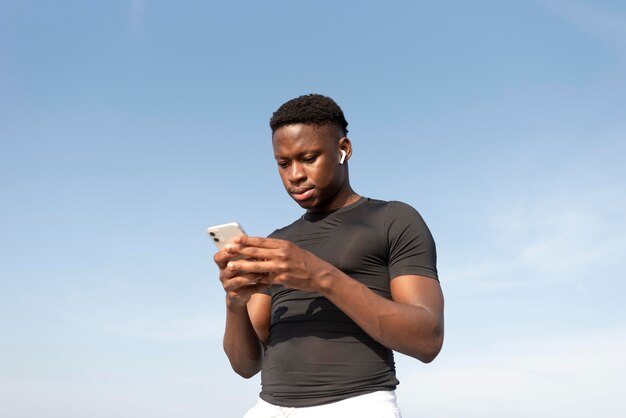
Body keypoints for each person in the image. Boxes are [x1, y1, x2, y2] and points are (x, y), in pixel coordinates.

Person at [213, 94, 444, 417]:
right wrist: (234, 303)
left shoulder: (393, 219)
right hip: (269, 409)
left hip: (356, 405)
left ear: (343, 150)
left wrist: (320, 276)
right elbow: (245, 365)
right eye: (283, 163)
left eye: (308, 158)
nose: (294, 175)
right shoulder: (278, 244)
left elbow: (427, 340)